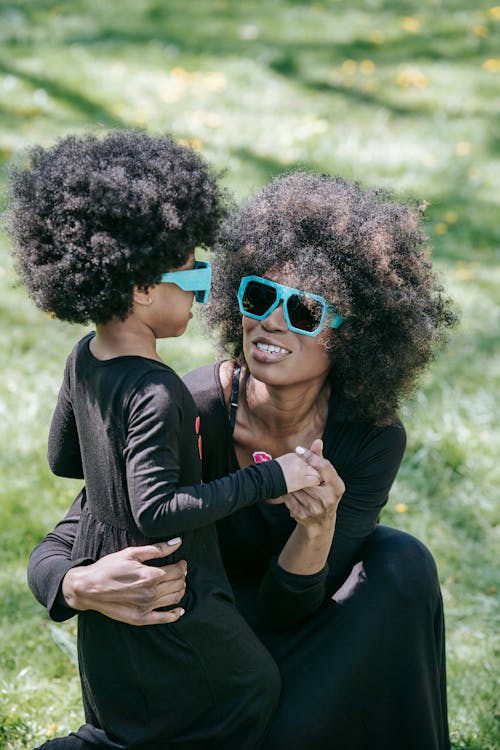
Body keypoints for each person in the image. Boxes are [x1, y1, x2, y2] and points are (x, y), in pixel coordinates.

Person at [27, 171, 456, 750]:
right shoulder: (191, 406)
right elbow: (73, 532)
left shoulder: (369, 438)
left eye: (303, 310)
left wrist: (316, 529)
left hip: (295, 638)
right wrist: (78, 585)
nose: (270, 321)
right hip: (196, 644)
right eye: (258, 297)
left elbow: (290, 609)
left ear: (351, 334)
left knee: (402, 561)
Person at [9, 134, 323, 750]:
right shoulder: (158, 390)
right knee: (248, 691)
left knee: (130, 727)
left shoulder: (84, 357)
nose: (203, 292)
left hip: (106, 576)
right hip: (168, 588)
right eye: (194, 273)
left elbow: (63, 457)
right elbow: (156, 511)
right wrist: (274, 476)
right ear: (143, 289)